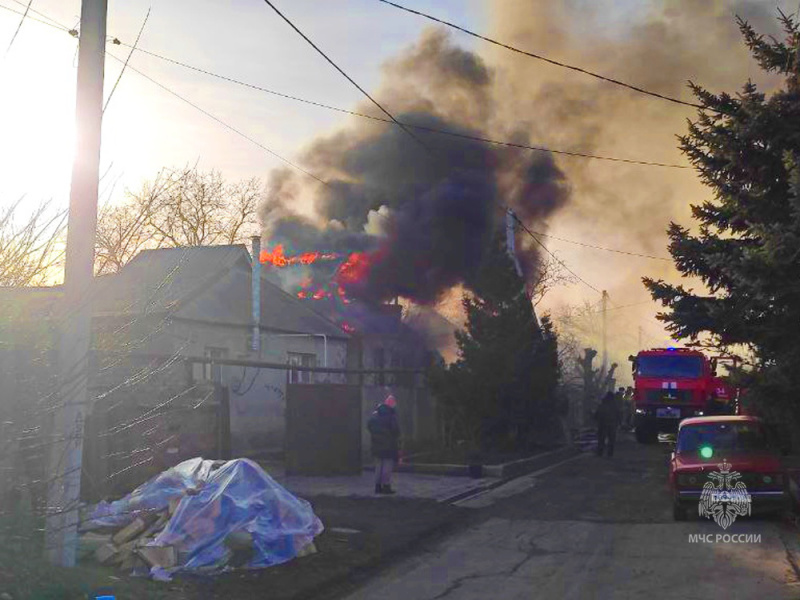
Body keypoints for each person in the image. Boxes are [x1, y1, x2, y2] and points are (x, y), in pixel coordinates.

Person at [368, 394, 401, 494]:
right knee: (387, 466)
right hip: (388, 445)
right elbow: (396, 430)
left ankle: (377, 487)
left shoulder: (376, 414)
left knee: (378, 465)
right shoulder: (391, 415)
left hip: (377, 444)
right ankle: (386, 486)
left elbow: (369, 425)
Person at [594, 391, 621, 457]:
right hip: (612, 424)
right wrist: (619, 423)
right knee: (611, 440)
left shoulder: (603, 404)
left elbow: (598, 414)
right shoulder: (615, 405)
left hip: (603, 424)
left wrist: (596, 419)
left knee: (601, 439)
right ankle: (610, 454)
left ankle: (600, 453)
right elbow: (619, 415)